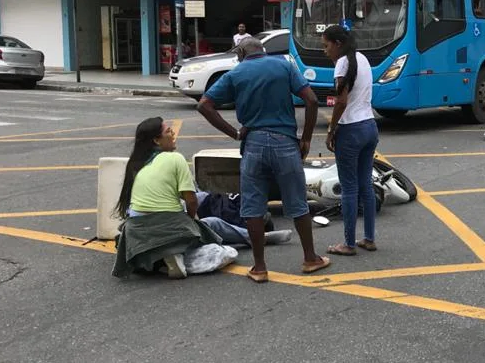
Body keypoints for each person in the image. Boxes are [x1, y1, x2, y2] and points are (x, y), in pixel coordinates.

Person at [197, 37, 328, 283]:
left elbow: (204, 105)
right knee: (298, 203)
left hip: (253, 144)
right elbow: (310, 100)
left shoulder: (236, 73)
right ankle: (310, 258)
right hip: (285, 142)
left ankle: (259, 267)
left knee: (253, 208)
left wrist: (234, 133)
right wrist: (306, 139)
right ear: (262, 50)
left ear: (242, 54)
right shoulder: (284, 66)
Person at [111, 117, 232, 279]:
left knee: (202, 226)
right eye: (168, 131)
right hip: (168, 225)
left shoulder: (136, 163)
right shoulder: (175, 158)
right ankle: (256, 237)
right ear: (156, 140)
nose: (173, 133)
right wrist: (191, 222)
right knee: (211, 225)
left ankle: (162, 259)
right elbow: (191, 201)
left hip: (135, 231)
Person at [322, 25, 379, 256]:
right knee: (365, 184)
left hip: (351, 130)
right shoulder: (362, 59)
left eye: (326, 46)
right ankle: (369, 238)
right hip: (369, 127)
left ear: (337, 43)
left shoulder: (342, 63)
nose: (325, 51)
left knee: (349, 187)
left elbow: (341, 101)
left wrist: (331, 129)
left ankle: (348, 243)